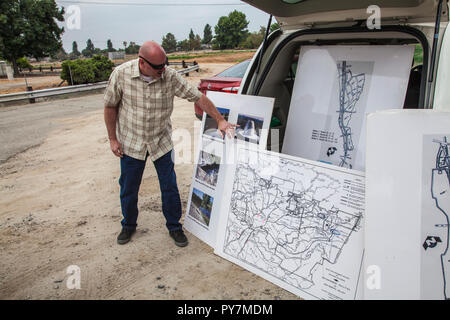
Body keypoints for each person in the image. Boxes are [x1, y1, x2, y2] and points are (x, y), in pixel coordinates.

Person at [104, 41, 236, 247]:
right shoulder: (121, 74)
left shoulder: (170, 76)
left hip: (160, 142)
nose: (162, 70)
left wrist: (219, 119)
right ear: (142, 63)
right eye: (158, 67)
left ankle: (174, 227)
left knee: (169, 186)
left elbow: (198, 97)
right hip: (131, 142)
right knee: (129, 187)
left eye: (164, 64)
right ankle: (128, 225)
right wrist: (112, 139)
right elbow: (110, 106)